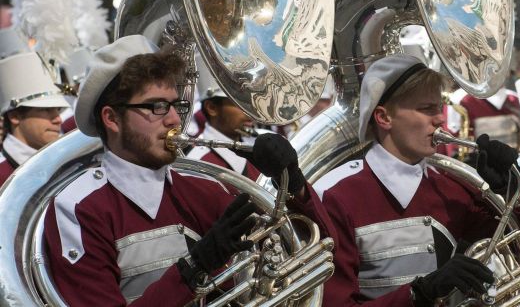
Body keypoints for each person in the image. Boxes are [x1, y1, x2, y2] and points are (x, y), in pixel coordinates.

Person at [42, 35, 324, 306]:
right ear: (112, 118)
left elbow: (309, 256)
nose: (176, 119)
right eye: (157, 106)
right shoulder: (78, 209)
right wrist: (193, 268)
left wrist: (292, 184)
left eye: (177, 105)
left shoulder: (204, 189)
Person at [314, 54, 520, 306]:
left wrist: (514, 193)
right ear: (384, 118)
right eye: (426, 109)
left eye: (439, 108)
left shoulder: (451, 188)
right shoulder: (338, 194)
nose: (439, 119)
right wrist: (418, 294)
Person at [186, 55, 261, 180]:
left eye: (251, 104)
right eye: (239, 103)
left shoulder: (260, 144)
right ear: (212, 108)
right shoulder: (197, 167)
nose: (250, 113)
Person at [0, 52, 70, 186]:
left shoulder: (69, 161)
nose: (58, 119)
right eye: (46, 110)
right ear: (14, 116)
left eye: (58, 110)